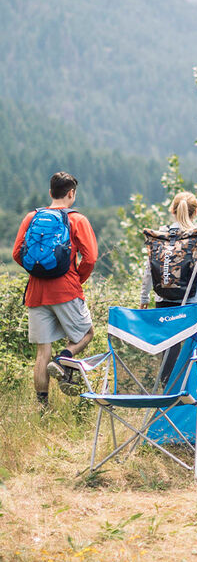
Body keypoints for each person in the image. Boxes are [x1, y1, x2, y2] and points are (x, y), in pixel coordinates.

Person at [13, 172, 98, 408]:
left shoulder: (31, 217)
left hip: (36, 293)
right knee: (86, 334)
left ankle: (43, 409)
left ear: (50, 192)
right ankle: (63, 359)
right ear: (71, 193)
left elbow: (17, 253)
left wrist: (39, 271)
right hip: (66, 290)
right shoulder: (77, 220)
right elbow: (90, 258)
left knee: (42, 352)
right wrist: (76, 279)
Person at [140, 192, 197, 308]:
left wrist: (144, 298)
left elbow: (149, 269)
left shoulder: (160, 236)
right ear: (195, 212)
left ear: (172, 210)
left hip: (164, 302)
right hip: (195, 302)